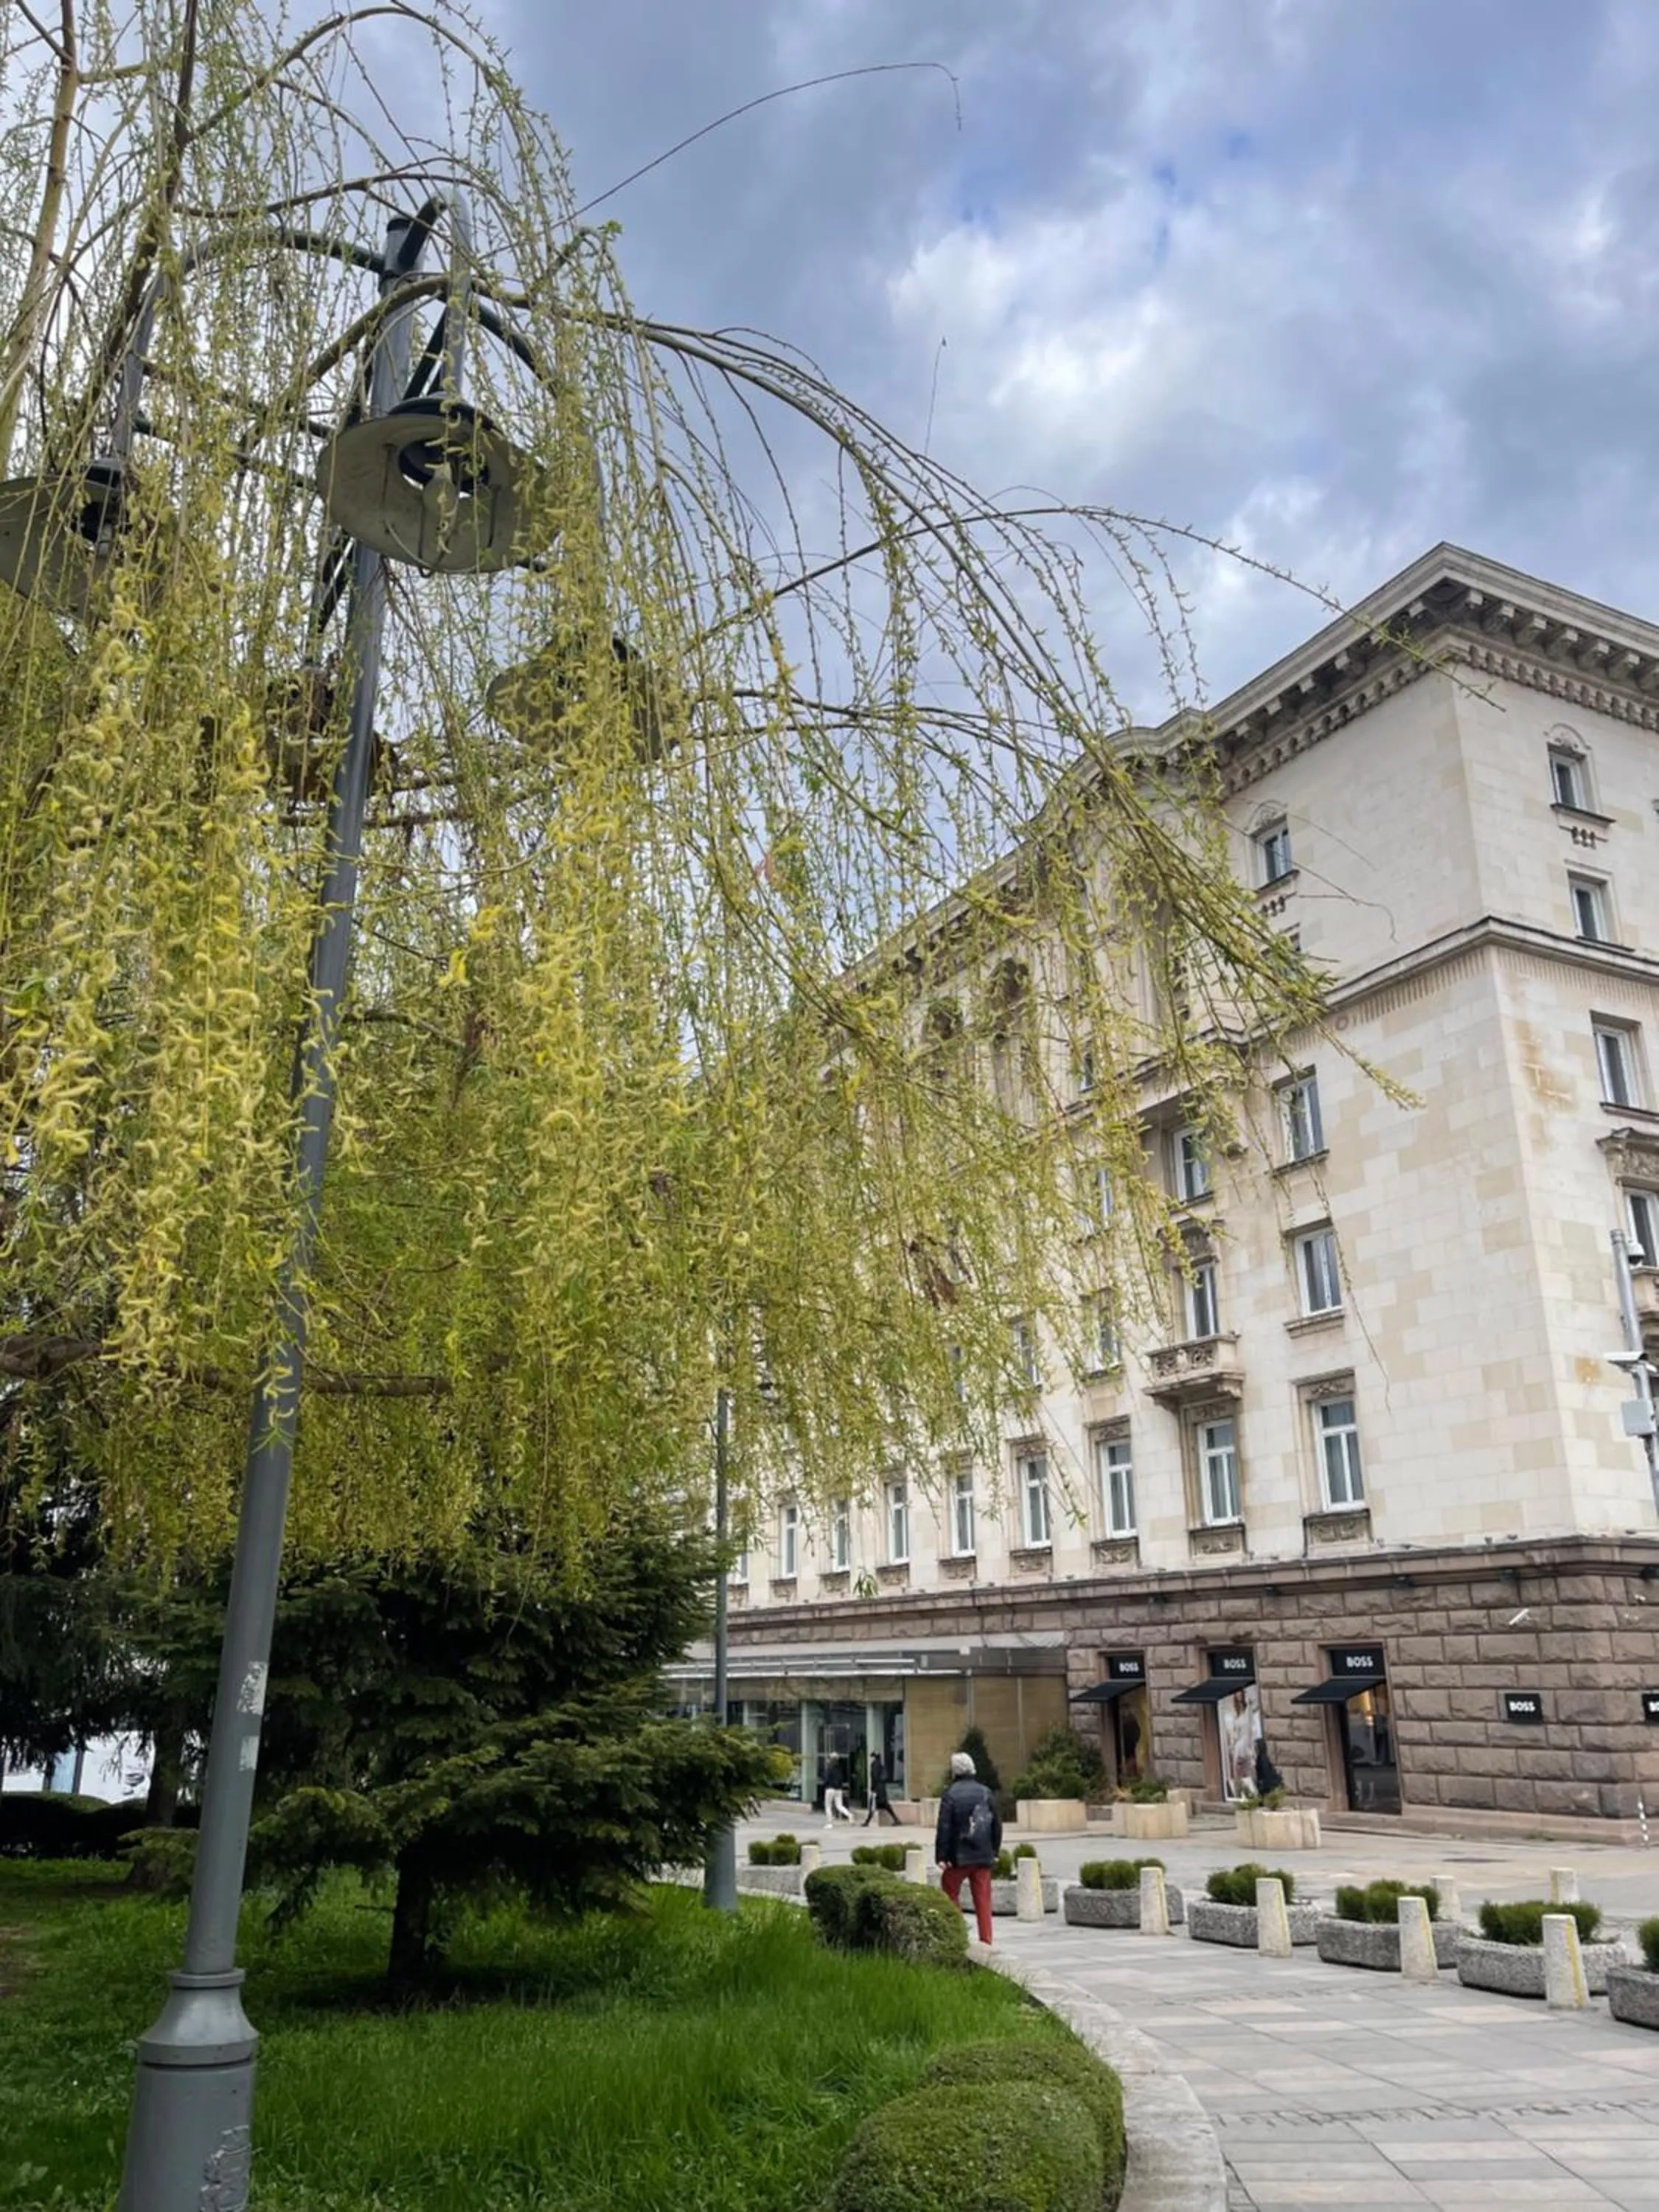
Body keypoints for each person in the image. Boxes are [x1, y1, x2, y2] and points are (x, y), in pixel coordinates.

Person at [935, 1749, 1001, 1943]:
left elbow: (944, 1828)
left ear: (955, 1771)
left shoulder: (951, 1795)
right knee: (983, 1899)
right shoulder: (985, 1792)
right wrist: (995, 1851)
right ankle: (986, 1940)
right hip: (983, 1854)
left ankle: (958, 1933)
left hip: (960, 1856)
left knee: (950, 1889)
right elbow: (996, 1824)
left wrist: (941, 1856)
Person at [863, 1750, 900, 1826]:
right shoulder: (881, 1765)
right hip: (881, 1788)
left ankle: (867, 1822)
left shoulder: (875, 1765)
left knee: (872, 1805)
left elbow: (875, 1777)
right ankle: (896, 1819)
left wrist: (873, 1788)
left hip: (877, 1788)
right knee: (885, 1805)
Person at [823, 1753, 855, 1826]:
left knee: (828, 1806)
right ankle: (849, 1815)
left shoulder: (829, 1767)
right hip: (838, 1789)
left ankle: (829, 1823)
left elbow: (826, 1778)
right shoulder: (839, 1768)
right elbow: (841, 1778)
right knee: (839, 1806)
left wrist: (825, 1784)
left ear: (831, 1759)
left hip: (830, 1789)